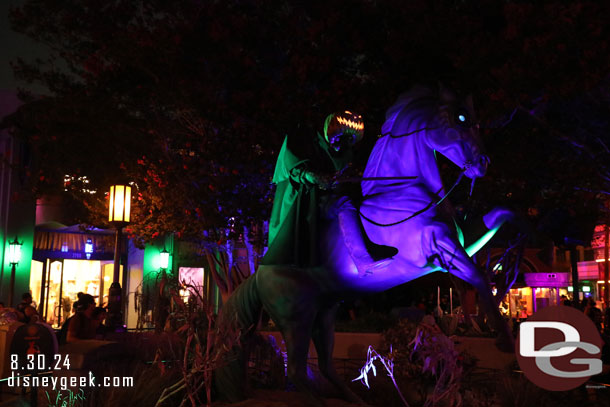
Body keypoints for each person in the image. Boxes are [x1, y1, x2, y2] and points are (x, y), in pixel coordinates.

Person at [262, 111, 393, 275]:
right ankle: (362, 260)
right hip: (306, 201)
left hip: (326, 196)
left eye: (348, 141)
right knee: (344, 204)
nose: (341, 145)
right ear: (330, 131)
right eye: (339, 138)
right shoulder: (304, 138)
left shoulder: (344, 152)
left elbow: (337, 176)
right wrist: (315, 176)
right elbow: (295, 167)